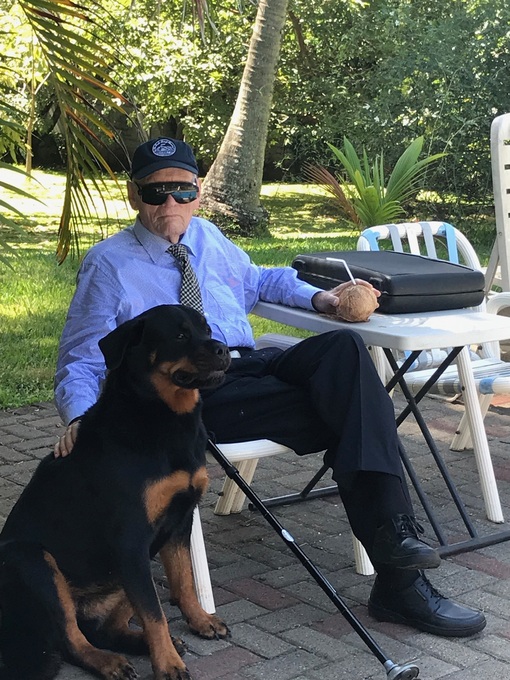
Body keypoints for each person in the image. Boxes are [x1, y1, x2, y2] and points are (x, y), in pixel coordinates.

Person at [54, 137, 486, 638]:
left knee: (343, 350)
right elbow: (81, 357)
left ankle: (395, 548)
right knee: (359, 412)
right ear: (134, 196)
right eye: (156, 192)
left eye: (182, 190)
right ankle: (401, 582)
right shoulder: (109, 264)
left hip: (250, 365)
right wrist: (82, 419)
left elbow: (261, 280)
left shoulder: (208, 237)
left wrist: (324, 299)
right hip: (194, 394)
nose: (170, 202)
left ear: (198, 192)